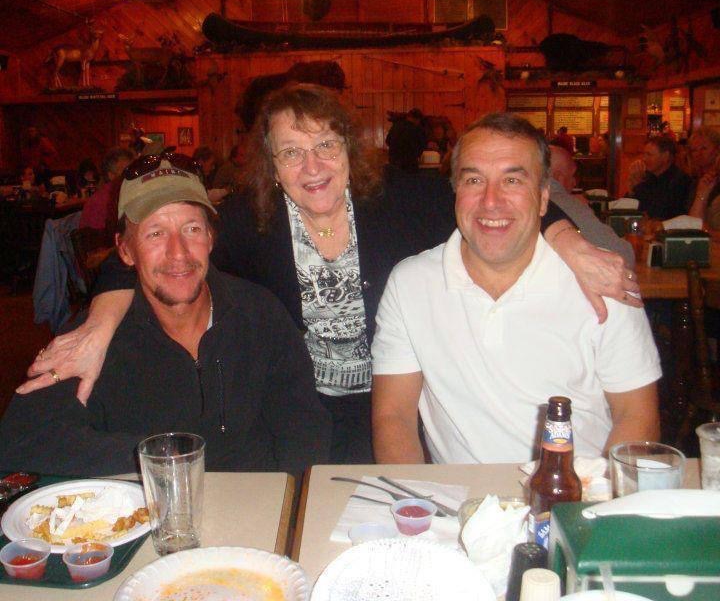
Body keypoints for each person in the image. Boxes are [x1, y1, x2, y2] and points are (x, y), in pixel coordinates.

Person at [20, 85, 640, 464]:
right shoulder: (251, 222)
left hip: (400, 407)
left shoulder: (401, 201)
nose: (311, 166)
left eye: (325, 146)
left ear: (349, 148)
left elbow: (497, 198)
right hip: (298, 411)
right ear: (272, 165)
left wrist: (569, 242)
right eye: (291, 152)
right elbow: (158, 253)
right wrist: (100, 324)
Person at [0, 153, 330, 477]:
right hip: (152, 507)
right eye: (155, 233)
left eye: (191, 229)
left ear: (210, 238)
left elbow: (304, 428)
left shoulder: (260, 314)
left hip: (255, 502)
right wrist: (162, 457)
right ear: (125, 250)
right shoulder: (94, 337)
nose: (178, 253)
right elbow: (20, 439)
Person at [371, 113, 661, 464]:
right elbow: (394, 417)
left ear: (544, 199)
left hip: (579, 489)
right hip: (461, 495)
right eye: (474, 180)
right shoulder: (411, 284)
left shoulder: (602, 280)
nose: (491, 200)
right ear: (455, 191)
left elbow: (637, 415)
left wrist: (598, 494)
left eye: (512, 180)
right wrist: (414, 495)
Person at [548, 145, 634, 267]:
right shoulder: (567, 204)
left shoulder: (528, 199)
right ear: (558, 178)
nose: (574, 182)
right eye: (572, 175)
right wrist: (584, 210)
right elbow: (623, 256)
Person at [628, 136, 691, 220]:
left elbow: (657, 212)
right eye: (644, 154)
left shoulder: (679, 181)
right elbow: (628, 209)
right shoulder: (649, 176)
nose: (644, 159)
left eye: (649, 155)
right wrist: (632, 187)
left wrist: (638, 185)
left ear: (665, 156)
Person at [80, 147, 135, 238]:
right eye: (126, 171)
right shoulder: (107, 199)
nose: (133, 175)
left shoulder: (124, 192)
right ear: (111, 175)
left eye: (133, 170)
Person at [687, 127, 720, 228]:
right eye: (694, 150)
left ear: (717, 149)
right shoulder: (693, 180)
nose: (698, 154)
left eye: (704, 148)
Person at [386, 108, 427, 172]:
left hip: (394, 163)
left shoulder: (396, 126)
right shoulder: (417, 129)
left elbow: (388, 141)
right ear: (418, 119)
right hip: (409, 164)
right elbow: (421, 145)